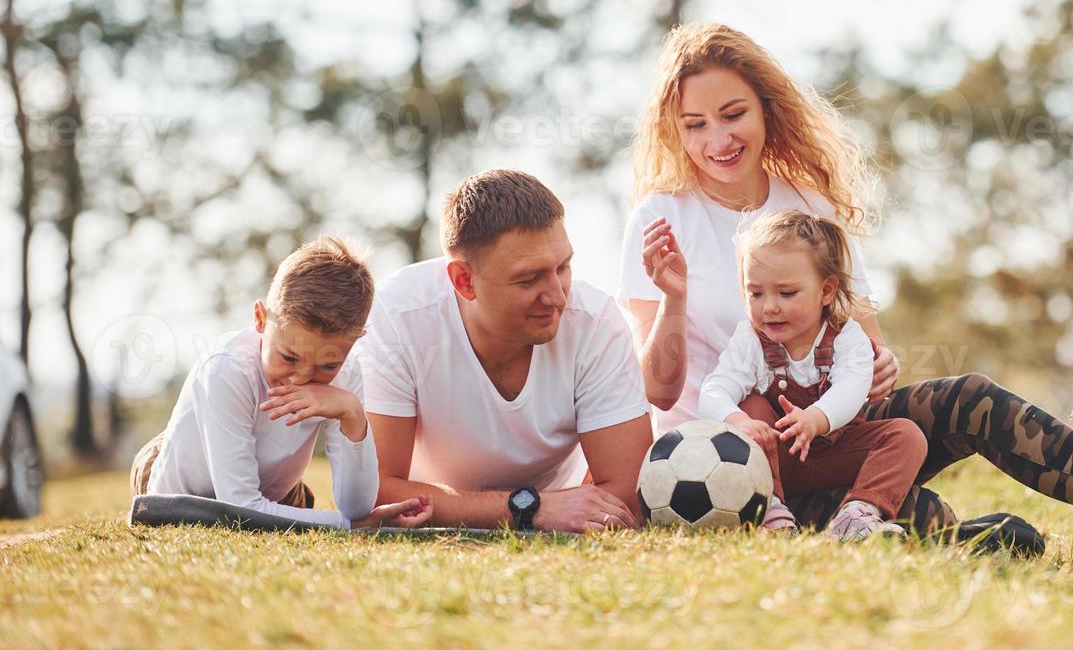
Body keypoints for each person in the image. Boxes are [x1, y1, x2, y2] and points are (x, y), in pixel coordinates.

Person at [619, 22, 1073, 594]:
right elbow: (657, 388)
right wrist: (674, 301)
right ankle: (962, 533)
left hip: (825, 433)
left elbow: (865, 345)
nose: (717, 140)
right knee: (907, 508)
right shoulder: (660, 218)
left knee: (972, 398)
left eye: (733, 114)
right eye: (695, 125)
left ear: (766, 107)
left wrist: (877, 369)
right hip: (726, 467)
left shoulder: (809, 205)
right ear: (675, 132)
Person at [361, 169, 653, 533]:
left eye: (563, 267)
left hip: (563, 504)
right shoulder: (397, 316)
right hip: (512, 506)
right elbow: (374, 495)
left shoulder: (595, 321)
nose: (558, 297)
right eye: (529, 279)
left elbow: (629, 495)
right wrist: (529, 509)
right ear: (464, 280)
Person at [131, 237, 431, 530]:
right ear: (261, 319)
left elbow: (356, 507)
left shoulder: (348, 372)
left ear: (356, 341)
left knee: (293, 504)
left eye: (327, 365)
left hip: (275, 488)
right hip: (182, 481)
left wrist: (352, 415)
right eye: (289, 357)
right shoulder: (227, 368)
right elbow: (240, 507)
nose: (301, 378)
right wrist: (348, 525)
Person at [692, 210, 927, 539]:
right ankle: (769, 509)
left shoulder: (848, 337)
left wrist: (816, 418)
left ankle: (857, 515)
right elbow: (714, 390)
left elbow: (852, 387)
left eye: (786, 293)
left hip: (836, 453)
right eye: (755, 293)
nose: (769, 306)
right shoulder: (751, 340)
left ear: (826, 291)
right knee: (753, 404)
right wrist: (740, 423)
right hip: (776, 461)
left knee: (906, 435)